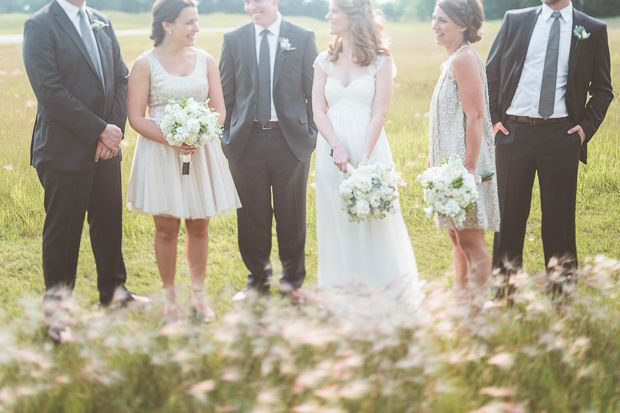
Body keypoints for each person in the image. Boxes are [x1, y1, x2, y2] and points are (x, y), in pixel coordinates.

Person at [23, 0, 145, 342]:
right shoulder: (40, 24)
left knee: (109, 224)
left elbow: (122, 79)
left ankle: (115, 294)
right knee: (63, 234)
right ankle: (58, 316)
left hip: (106, 147)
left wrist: (113, 130)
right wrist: (97, 130)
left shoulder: (101, 20)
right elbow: (49, 90)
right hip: (63, 150)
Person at [126, 0, 240, 322]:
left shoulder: (206, 61)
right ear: (167, 25)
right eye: (189, 22)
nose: (196, 29)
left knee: (199, 224)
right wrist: (173, 139)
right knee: (165, 228)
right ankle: (169, 299)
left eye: (196, 21)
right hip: (161, 154)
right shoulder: (145, 64)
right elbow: (136, 117)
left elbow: (219, 110)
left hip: (201, 151)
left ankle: (199, 297)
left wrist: (198, 134)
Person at [487, 0, 613, 274]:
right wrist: (495, 121)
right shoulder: (515, 21)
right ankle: (505, 292)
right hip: (513, 135)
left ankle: (561, 296)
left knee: (559, 222)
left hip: (561, 137)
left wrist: (583, 131)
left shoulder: (592, 29)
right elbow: (491, 74)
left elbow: (603, 90)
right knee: (508, 219)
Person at [312, 0, 421, 305]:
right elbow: (318, 110)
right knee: (337, 219)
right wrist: (336, 145)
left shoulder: (380, 60)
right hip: (331, 151)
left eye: (334, 11)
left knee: (374, 220)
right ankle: (342, 295)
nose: (328, 16)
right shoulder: (323, 60)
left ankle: (383, 294)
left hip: (369, 148)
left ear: (353, 15)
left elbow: (380, 112)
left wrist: (363, 158)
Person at [219, 0, 317, 299]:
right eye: (246, 2)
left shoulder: (302, 37)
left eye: (256, 1)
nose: (251, 6)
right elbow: (225, 94)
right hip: (246, 143)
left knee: (292, 214)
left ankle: (292, 281)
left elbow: (313, 92)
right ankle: (258, 281)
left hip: (289, 141)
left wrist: (309, 135)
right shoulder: (233, 40)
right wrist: (227, 135)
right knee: (251, 216)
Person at [428, 0, 499, 304]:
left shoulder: (464, 59)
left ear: (463, 24)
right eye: (434, 19)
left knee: (471, 241)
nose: (435, 26)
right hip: (451, 165)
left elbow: (476, 116)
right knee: (458, 238)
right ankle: (462, 307)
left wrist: (468, 170)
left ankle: (478, 314)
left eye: (442, 20)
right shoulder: (453, 59)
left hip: (465, 165)